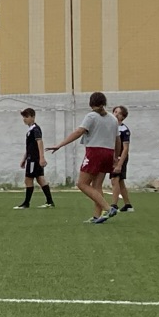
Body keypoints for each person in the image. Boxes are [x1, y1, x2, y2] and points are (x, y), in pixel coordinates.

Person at [49, 92, 118, 222]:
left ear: (91, 104)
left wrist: (60, 145)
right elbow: (117, 139)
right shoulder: (113, 119)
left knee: (82, 184)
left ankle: (108, 208)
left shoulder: (91, 116)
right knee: (97, 186)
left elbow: (79, 132)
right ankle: (97, 217)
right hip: (108, 152)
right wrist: (116, 157)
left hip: (95, 152)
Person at [15, 108, 54, 208]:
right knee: (40, 179)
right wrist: (24, 159)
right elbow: (30, 147)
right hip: (31, 158)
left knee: (28, 179)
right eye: (24, 117)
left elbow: (39, 142)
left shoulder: (35, 129)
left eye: (27, 117)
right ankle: (49, 202)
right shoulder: (30, 130)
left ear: (33, 117)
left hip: (34, 159)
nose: (24, 119)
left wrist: (42, 157)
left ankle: (26, 203)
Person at [108, 105, 133, 214]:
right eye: (115, 112)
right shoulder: (111, 127)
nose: (116, 114)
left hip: (119, 158)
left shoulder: (124, 129)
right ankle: (128, 205)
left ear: (123, 117)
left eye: (119, 113)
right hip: (113, 157)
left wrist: (119, 163)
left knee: (114, 180)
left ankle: (114, 205)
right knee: (120, 181)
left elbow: (125, 148)